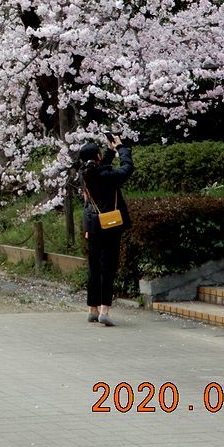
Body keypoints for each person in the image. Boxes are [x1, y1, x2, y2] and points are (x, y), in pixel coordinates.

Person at [79, 135, 134, 327]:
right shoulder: (107, 177)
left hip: (93, 226)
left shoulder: (84, 174)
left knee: (94, 268)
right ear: (97, 157)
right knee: (107, 268)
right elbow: (127, 169)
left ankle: (92, 309)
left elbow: (101, 168)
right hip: (109, 226)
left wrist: (110, 151)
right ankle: (104, 309)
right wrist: (122, 149)